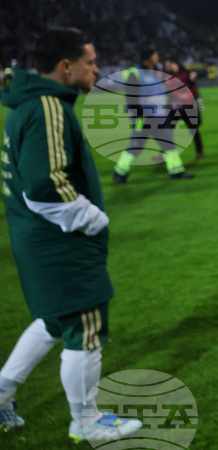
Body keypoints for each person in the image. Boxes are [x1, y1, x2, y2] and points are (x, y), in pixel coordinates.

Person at [0, 28, 142, 442]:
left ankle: (3, 392)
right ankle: (87, 420)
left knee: (53, 320)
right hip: (58, 241)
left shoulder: (33, 103)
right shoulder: (47, 106)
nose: (96, 69)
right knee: (84, 324)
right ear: (66, 66)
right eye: (90, 62)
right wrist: (94, 219)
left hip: (36, 237)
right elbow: (45, 186)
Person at [112, 48, 194, 182]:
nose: (158, 57)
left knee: (168, 144)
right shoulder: (135, 73)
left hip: (160, 116)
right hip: (144, 117)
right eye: (155, 55)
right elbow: (130, 97)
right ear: (148, 58)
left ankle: (177, 172)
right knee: (136, 146)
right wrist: (139, 113)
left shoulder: (158, 73)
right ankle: (119, 173)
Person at [163, 58, 204, 160]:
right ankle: (164, 154)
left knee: (193, 130)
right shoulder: (168, 77)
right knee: (167, 131)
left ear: (176, 64)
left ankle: (200, 150)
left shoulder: (186, 74)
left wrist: (194, 75)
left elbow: (201, 74)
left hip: (187, 107)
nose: (169, 66)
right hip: (174, 108)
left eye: (171, 64)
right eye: (167, 64)